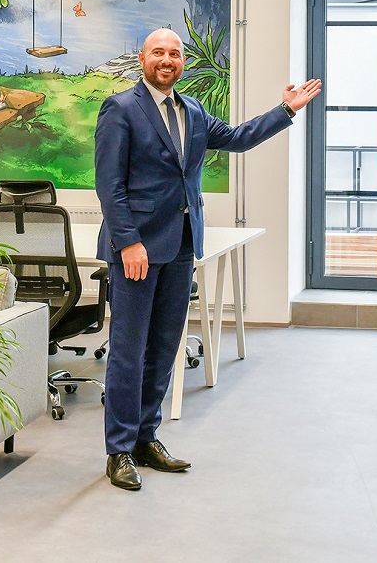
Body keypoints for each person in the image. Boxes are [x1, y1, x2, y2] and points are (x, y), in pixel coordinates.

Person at [93, 27, 321, 490]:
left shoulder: (192, 110)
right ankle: (119, 450)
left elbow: (237, 138)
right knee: (129, 353)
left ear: (183, 62)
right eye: (158, 52)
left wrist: (285, 111)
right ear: (142, 59)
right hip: (137, 250)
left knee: (164, 348)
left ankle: (145, 438)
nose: (167, 60)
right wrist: (128, 242)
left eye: (175, 54)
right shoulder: (120, 109)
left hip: (180, 245)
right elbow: (109, 184)